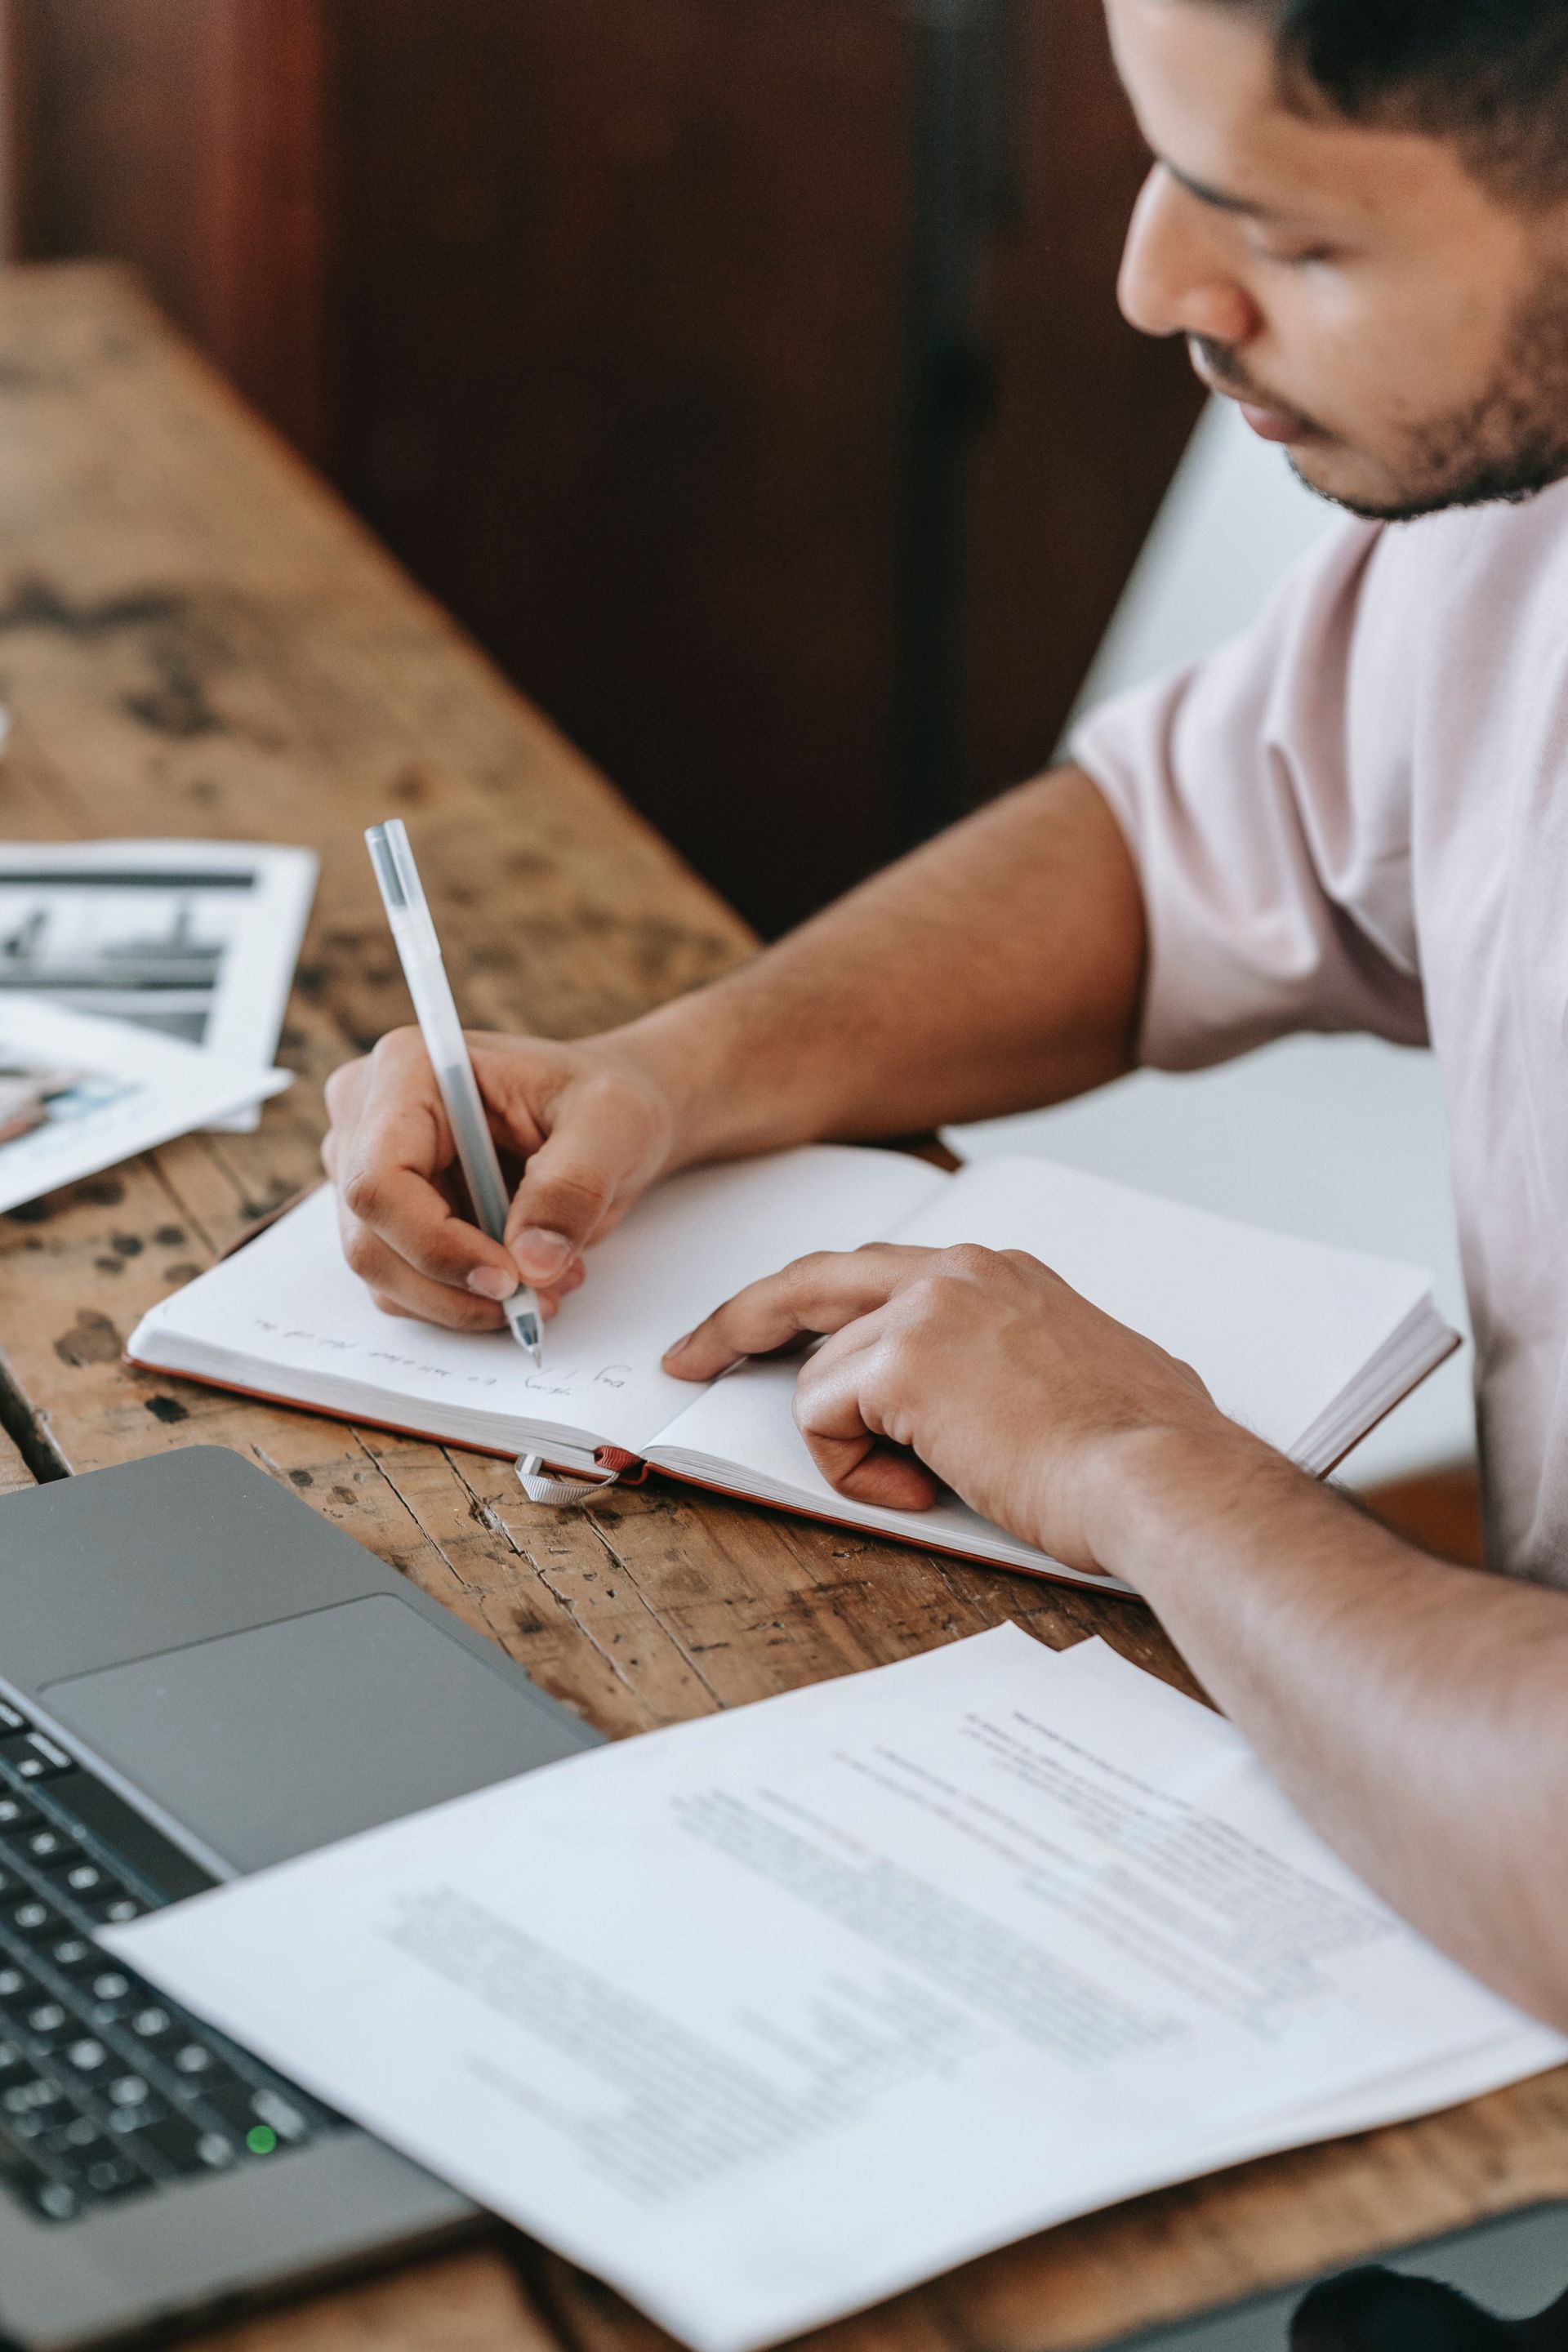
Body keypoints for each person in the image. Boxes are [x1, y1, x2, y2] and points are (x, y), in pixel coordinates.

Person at [323, 0, 1568, 2029]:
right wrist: (670, 1074)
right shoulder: (1515, 517)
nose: (1152, 278)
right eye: (1159, 158)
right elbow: (1177, 854)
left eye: (1291, 235)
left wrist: (1139, 1460)